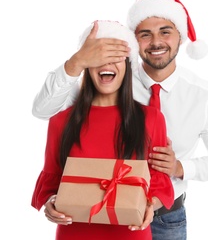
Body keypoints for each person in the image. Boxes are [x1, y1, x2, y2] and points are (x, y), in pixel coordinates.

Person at [32, 0, 208, 240]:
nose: (156, 42)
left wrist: (180, 167)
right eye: (145, 34)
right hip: (82, 220)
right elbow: (44, 112)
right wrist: (77, 61)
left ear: (180, 38)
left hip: (165, 213)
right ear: (135, 42)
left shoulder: (200, 96)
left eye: (165, 31)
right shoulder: (78, 103)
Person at [31, 20, 174, 240]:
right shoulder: (61, 121)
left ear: (127, 65)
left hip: (130, 234)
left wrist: (150, 206)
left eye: (115, 57)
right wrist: (50, 203)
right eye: (97, 57)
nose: (106, 63)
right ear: (86, 65)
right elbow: (52, 179)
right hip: (74, 233)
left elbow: (157, 180)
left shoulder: (151, 118)